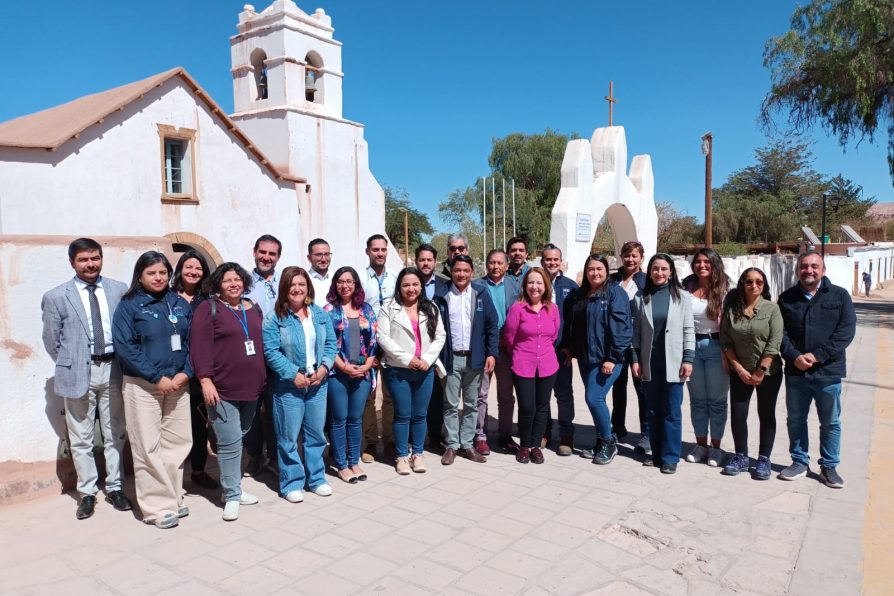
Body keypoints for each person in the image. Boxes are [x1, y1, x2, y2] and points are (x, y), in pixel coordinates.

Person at [41, 238, 133, 520]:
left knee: (114, 432)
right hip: (78, 372)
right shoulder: (57, 296)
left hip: (114, 369)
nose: (90, 264)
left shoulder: (119, 290)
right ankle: (88, 493)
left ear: (101, 258)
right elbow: (51, 341)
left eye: (94, 258)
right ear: (72, 263)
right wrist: (74, 362)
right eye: (83, 260)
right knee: (80, 438)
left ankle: (115, 487)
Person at [112, 251, 192, 529]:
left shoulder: (179, 303)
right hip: (143, 386)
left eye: (162, 272)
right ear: (140, 276)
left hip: (179, 385)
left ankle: (173, 497)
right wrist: (156, 377)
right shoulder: (129, 306)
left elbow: (194, 341)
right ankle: (157, 508)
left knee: (178, 443)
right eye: (151, 273)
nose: (158, 277)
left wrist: (186, 373)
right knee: (147, 445)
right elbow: (126, 347)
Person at [190, 263, 267, 521]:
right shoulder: (208, 309)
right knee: (230, 442)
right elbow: (199, 348)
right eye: (227, 280)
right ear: (218, 285)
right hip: (222, 389)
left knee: (239, 435)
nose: (233, 284)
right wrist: (205, 380)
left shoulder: (253, 308)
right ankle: (232, 494)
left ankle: (231, 486)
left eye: (237, 279)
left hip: (252, 386)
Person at [777, 251, 856, 488]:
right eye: (804, 266)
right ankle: (799, 462)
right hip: (796, 371)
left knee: (830, 421)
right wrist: (794, 356)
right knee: (796, 419)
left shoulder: (840, 296)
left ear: (823, 270)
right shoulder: (786, 298)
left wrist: (818, 355)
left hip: (828, 372)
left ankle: (829, 467)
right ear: (797, 270)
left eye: (814, 266)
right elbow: (780, 334)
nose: (808, 270)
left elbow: (845, 332)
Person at [263, 266, 337, 501]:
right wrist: (292, 373)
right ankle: (291, 482)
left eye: (301, 284)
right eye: (292, 285)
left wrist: (324, 368)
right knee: (288, 436)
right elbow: (271, 351)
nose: (297, 289)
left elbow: (331, 345)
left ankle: (316, 478)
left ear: (308, 288)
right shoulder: (274, 318)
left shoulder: (319, 314)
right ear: (284, 288)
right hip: (289, 385)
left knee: (316, 434)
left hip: (317, 382)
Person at [560, 254, 632, 464]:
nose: (595, 273)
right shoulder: (579, 294)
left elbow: (622, 328)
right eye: (591, 269)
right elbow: (573, 324)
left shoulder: (614, 293)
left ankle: (609, 442)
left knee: (594, 398)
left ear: (606, 271)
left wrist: (612, 357)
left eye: (599, 269)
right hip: (585, 357)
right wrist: (569, 348)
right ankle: (601, 441)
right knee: (594, 401)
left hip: (607, 359)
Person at [377, 268, 446, 474]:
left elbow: (440, 336)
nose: (411, 289)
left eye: (415, 284)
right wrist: (409, 359)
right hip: (399, 370)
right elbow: (383, 337)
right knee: (402, 414)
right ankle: (401, 456)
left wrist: (426, 359)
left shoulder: (430, 307)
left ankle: (417, 453)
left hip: (424, 369)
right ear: (399, 286)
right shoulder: (388, 307)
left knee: (420, 414)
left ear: (421, 286)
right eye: (406, 284)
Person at [630, 254, 694, 475]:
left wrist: (688, 358)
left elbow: (688, 330)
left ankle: (670, 457)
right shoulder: (641, 297)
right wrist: (635, 360)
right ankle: (656, 453)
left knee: (671, 412)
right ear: (649, 271)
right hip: (650, 363)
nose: (659, 273)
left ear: (671, 272)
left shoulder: (682, 297)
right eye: (655, 269)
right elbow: (636, 333)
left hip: (674, 362)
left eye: (664, 269)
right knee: (653, 410)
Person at [434, 255, 499, 465]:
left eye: (465, 270)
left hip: (475, 359)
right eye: (457, 270)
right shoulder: (441, 295)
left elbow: (492, 325)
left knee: (472, 404)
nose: (461, 274)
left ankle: (467, 444)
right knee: (451, 404)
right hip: (451, 359)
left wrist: (491, 353)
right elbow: (433, 328)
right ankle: (452, 445)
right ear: (451, 272)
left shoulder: (480, 293)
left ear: (472, 272)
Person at [720, 268, 783, 480]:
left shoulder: (772, 309)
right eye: (749, 282)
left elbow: (774, 343)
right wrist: (739, 369)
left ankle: (764, 458)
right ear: (742, 284)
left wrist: (760, 371)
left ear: (764, 285)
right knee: (738, 414)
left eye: (759, 282)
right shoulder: (732, 310)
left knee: (766, 414)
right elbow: (726, 342)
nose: (754, 286)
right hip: (740, 373)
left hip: (769, 373)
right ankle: (741, 456)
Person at [324, 266, 379, 483]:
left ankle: (354, 461)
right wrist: (343, 366)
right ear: (335, 285)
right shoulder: (328, 310)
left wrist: (367, 365)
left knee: (355, 419)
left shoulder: (366, 309)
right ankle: (342, 464)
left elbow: (374, 340)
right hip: (338, 373)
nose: (345, 285)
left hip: (362, 372)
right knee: (339, 419)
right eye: (340, 281)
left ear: (355, 284)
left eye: (349, 281)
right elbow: (326, 344)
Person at [502, 267, 561, 464]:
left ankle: (536, 445)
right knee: (527, 406)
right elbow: (509, 338)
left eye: (539, 282)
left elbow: (553, 335)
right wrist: (522, 354)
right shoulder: (517, 309)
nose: (535, 287)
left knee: (542, 406)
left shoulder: (553, 309)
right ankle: (525, 445)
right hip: (523, 364)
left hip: (547, 364)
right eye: (531, 282)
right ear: (525, 286)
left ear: (545, 286)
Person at [171, 250, 218, 490]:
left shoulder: (208, 299)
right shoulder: (168, 298)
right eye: (188, 267)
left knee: (199, 425)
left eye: (198, 268)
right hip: (174, 371)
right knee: (174, 426)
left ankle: (198, 470)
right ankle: (172, 476)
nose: (193, 272)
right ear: (180, 269)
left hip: (201, 371)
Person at [681, 248, 730, 467]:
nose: (701, 265)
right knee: (698, 400)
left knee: (717, 401)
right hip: (692, 347)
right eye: (698, 262)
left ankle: (716, 448)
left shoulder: (728, 288)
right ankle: (701, 445)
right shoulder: (686, 286)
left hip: (717, 346)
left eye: (706, 262)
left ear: (714, 264)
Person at [471, 249, 521, 454]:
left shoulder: (516, 286)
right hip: (484, 347)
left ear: (507, 266)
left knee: (506, 394)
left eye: (500, 263)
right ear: (486, 264)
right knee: (480, 393)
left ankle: (505, 434)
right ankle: (480, 435)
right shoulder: (476, 286)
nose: (495, 266)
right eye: (491, 262)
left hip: (508, 347)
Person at [244, 234, 283, 477]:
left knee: (278, 409)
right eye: (263, 252)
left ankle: (276, 457)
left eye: (272, 254)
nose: (266, 257)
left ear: (278, 257)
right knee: (252, 411)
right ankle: (255, 456)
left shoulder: (285, 282)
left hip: (279, 357)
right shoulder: (243, 282)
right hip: (252, 357)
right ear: (255, 251)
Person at [609, 241, 650, 455]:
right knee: (618, 386)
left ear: (641, 258)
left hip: (639, 343)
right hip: (617, 342)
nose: (630, 259)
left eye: (634, 255)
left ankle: (646, 432)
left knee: (642, 388)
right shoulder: (612, 280)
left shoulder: (647, 281)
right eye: (626, 255)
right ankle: (618, 427)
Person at [360, 234, 398, 462]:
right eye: (375, 249)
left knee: (391, 396)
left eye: (383, 249)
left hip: (392, 344)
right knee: (369, 396)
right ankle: (371, 442)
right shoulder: (361, 279)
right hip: (368, 346)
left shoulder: (396, 278)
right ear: (368, 252)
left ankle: (391, 441)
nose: (380, 253)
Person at [541, 243, 579, 455]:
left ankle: (566, 434)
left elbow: (575, 321)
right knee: (542, 394)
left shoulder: (571, 286)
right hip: (540, 351)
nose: (552, 263)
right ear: (542, 261)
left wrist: (571, 347)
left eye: (556, 259)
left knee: (564, 394)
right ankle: (544, 431)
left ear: (561, 261)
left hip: (562, 351)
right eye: (548, 259)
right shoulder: (535, 283)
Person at [415, 243, 450, 451]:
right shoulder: (408, 282)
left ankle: (435, 436)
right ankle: (413, 437)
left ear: (435, 262)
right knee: (414, 394)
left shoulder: (445, 285)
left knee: (436, 394)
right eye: (422, 259)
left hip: (438, 347)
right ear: (416, 261)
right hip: (413, 348)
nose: (426, 263)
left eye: (429, 260)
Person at [308, 238, 333, 307]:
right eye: (319, 255)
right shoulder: (303, 280)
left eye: (327, 254)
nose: (323, 259)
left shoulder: (336, 278)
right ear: (309, 258)